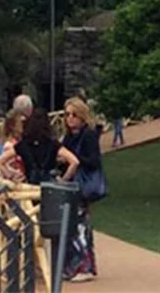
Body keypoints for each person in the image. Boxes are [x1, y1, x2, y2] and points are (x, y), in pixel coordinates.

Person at [61, 97, 102, 282]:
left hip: (82, 184)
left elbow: (94, 161)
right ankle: (73, 265)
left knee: (80, 225)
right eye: (67, 115)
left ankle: (84, 266)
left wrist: (74, 160)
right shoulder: (69, 136)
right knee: (72, 225)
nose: (70, 118)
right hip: (71, 185)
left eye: (74, 115)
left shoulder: (89, 135)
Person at [9, 108, 79, 184]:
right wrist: (63, 181)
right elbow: (74, 162)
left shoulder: (23, 145)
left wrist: (12, 175)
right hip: (49, 187)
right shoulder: (53, 144)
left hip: (30, 185)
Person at [0, 110, 27, 182]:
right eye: (22, 123)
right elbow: (0, 164)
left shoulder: (20, 142)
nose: (25, 125)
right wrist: (11, 174)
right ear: (13, 126)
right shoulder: (10, 145)